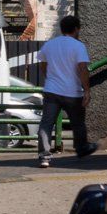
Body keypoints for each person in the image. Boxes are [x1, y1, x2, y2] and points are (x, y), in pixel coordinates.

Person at [37, 14, 98, 168]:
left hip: (52, 91)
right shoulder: (78, 46)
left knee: (46, 124)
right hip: (72, 92)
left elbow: (43, 64)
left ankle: (44, 157)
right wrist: (87, 90)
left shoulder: (50, 45)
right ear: (77, 29)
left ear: (61, 28)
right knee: (78, 123)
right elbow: (82, 69)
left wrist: (50, 78)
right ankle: (81, 148)